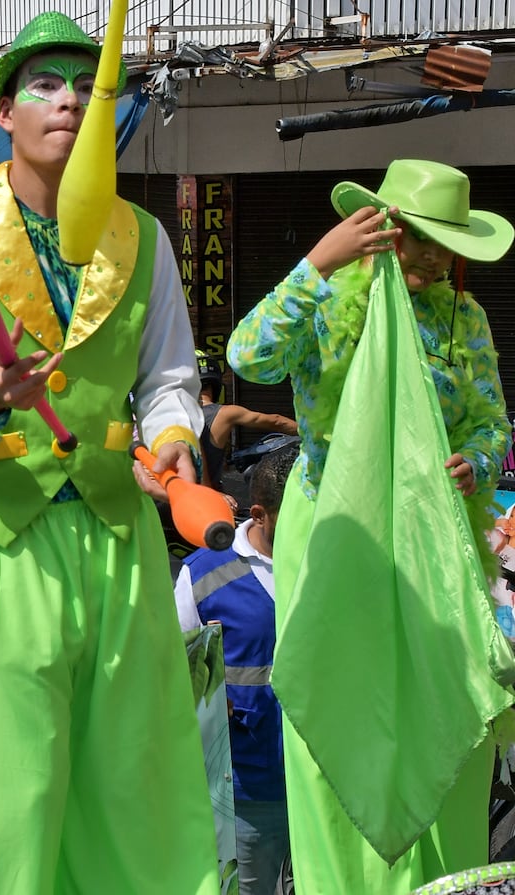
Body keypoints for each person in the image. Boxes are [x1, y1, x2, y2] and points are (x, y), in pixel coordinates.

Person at [0, 13, 219, 893]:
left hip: (119, 533)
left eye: (85, 86)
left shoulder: (145, 240)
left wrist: (174, 442)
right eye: (44, 84)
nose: (68, 101)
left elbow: (168, 378)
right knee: (16, 782)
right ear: (3, 110)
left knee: (135, 777)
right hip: (1, 538)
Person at [227, 159, 513, 891]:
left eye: (445, 245)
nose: (431, 256)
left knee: (442, 709)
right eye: (419, 237)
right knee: (334, 715)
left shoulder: (465, 318)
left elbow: (489, 425)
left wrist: (474, 466)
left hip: (433, 542)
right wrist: (319, 262)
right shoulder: (324, 303)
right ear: (381, 229)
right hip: (336, 534)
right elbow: (246, 352)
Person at [174, 444, 296, 895]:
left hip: (327, 778)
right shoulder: (202, 574)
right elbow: (175, 676)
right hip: (248, 791)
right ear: (260, 514)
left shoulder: (333, 562)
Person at [195, 350, 297, 492]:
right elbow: (276, 421)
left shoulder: (175, 413)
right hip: (210, 499)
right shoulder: (227, 413)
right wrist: (312, 434)